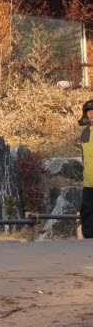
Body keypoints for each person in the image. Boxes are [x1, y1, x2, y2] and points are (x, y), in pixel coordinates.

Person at [78, 99, 93, 238]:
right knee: (87, 211)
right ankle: (88, 242)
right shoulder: (85, 133)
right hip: (89, 181)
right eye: (89, 111)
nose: (91, 114)